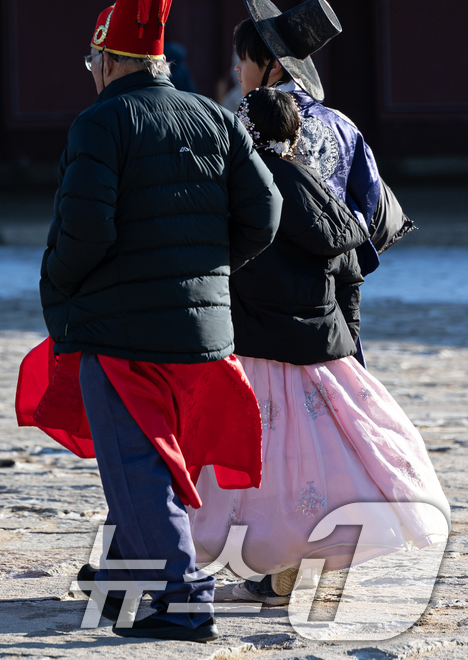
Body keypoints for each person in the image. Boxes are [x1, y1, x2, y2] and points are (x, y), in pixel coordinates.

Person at [16, 0, 282, 643]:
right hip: (202, 335)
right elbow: (265, 212)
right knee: (161, 464)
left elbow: (85, 230)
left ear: (108, 57)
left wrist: (58, 287)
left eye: (92, 59)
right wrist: (209, 267)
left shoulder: (101, 124)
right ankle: (121, 577)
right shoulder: (214, 119)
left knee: (136, 464)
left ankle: (185, 596)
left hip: (122, 329)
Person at [186, 87, 450, 606]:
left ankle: (256, 564)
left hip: (251, 349)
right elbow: (351, 272)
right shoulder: (319, 190)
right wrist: (347, 344)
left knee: (241, 468)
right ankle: (291, 566)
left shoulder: (237, 190)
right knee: (327, 460)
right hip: (320, 350)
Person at [233, 0, 414, 283]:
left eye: (243, 58)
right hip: (335, 279)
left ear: (274, 65)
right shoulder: (343, 125)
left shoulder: (249, 122)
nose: (238, 68)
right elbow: (369, 201)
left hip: (267, 284)